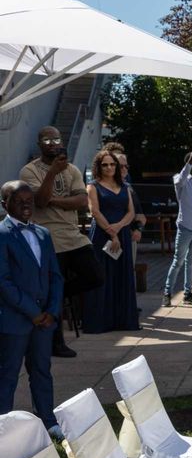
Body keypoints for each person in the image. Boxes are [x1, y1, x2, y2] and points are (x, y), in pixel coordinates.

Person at [20, 126, 102, 358]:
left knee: (95, 276)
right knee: (54, 285)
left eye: (57, 138)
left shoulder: (72, 169)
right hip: (46, 237)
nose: (53, 143)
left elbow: (81, 201)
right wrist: (52, 173)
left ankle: (58, 294)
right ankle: (57, 344)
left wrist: (58, 199)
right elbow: (41, 201)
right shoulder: (29, 171)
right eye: (48, 140)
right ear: (40, 144)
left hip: (72, 234)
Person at [0, 181, 64, 442]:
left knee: (41, 371)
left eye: (30, 200)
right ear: (5, 204)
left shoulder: (43, 234)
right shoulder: (2, 235)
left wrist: (51, 310)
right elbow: (3, 281)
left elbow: (55, 276)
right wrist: (32, 311)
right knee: (7, 374)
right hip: (15, 320)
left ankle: (48, 421)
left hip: (44, 321)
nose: (27, 205)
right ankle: (3, 425)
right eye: (19, 201)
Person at [81, 150, 139, 333]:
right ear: (99, 167)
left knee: (122, 276)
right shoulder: (92, 186)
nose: (109, 168)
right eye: (105, 164)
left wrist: (119, 227)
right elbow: (95, 212)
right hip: (102, 236)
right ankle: (100, 322)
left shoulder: (125, 186)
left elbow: (131, 212)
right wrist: (112, 234)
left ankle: (122, 321)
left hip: (121, 234)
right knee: (102, 277)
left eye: (112, 164)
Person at [163, 149, 192, 307]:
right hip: (185, 227)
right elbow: (181, 179)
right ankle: (167, 292)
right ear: (190, 163)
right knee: (178, 261)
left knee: (191, 261)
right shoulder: (180, 180)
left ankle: (188, 293)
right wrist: (190, 161)